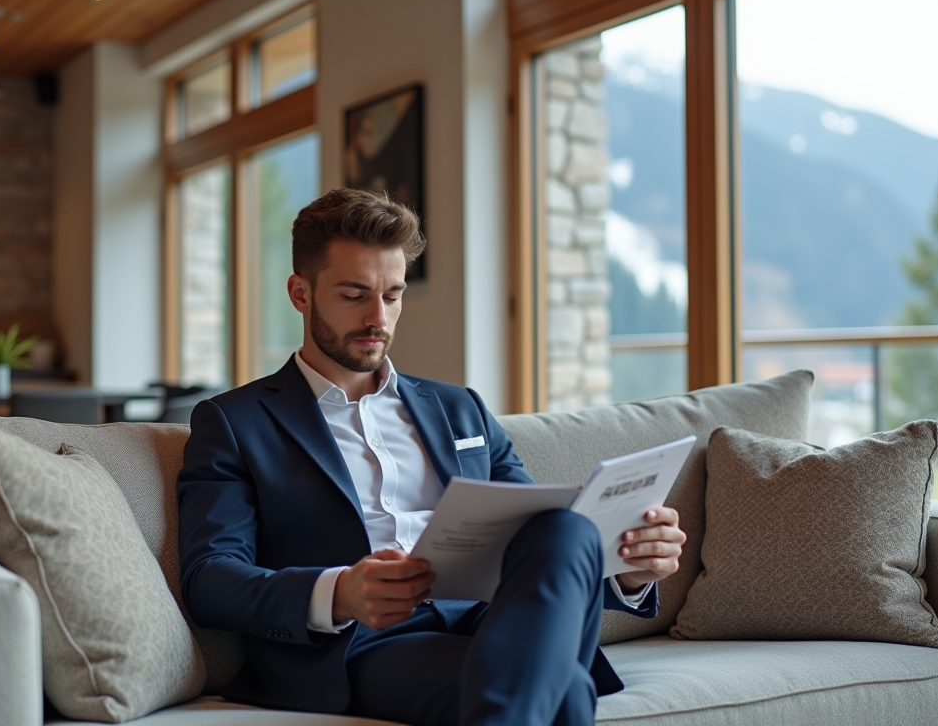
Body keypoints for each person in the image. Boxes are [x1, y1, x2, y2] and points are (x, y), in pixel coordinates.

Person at [178, 188, 686, 726]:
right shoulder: (236, 422)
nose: (379, 318)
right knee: (565, 696)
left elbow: (538, 537)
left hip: (497, 622)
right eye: (354, 295)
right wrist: (341, 592)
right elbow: (210, 577)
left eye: (392, 295)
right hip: (363, 647)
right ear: (300, 293)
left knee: (568, 529)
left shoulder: (458, 408)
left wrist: (628, 569)